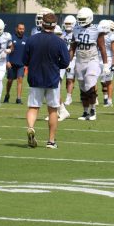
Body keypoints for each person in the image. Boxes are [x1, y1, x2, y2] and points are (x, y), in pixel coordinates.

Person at [23, 12, 71, 149]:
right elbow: (66, 62)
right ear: (55, 25)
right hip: (52, 79)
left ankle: (31, 127)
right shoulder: (59, 42)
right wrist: (57, 66)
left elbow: (24, 60)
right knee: (52, 111)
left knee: (33, 107)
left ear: (42, 23)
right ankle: (51, 141)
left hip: (35, 78)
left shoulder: (32, 39)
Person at [70, 7, 108, 121]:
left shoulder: (97, 29)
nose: (80, 21)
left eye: (83, 19)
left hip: (92, 59)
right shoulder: (75, 28)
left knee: (90, 84)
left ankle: (93, 110)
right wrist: (69, 62)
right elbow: (72, 47)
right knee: (82, 87)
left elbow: (102, 47)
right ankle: (85, 111)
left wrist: (105, 64)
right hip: (80, 59)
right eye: (79, 19)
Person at [98, 19, 114, 108]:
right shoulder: (97, 35)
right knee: (98, 80)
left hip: (108, 59)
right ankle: (95, 98)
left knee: (108, 80)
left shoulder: (112, 36)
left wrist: (113, 64)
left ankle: (109, 100)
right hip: (98, 58)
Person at [5, 23, 27, 104]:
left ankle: (18, 99)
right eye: (20, 28)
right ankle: (7, 95)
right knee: (10, 80)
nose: (21, 30)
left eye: (23, 29)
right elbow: (7, 51)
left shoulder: (26, 39)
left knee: (20, 80)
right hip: (11, 63)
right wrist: (7, 61)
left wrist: (26, 63)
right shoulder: (11, 38)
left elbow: (27, 53)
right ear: (16, 29)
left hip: (21, 64)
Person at [61, 15, 77, 106]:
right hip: (62, 57)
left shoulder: (76, 33)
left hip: (73, 57)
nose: (67, 26)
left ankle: (68, 97)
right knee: (60, 78)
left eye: (69, 24)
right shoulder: (62, 33)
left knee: (70, 78)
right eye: (66, 24)